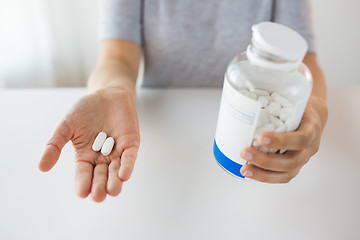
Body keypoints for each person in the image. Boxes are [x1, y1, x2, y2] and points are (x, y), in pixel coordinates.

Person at [38, 0, 328, 202]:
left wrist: (315, 109)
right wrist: (111, 90)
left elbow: (304, 62)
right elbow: (116, 58)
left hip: (252, 146)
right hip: (164, 136)